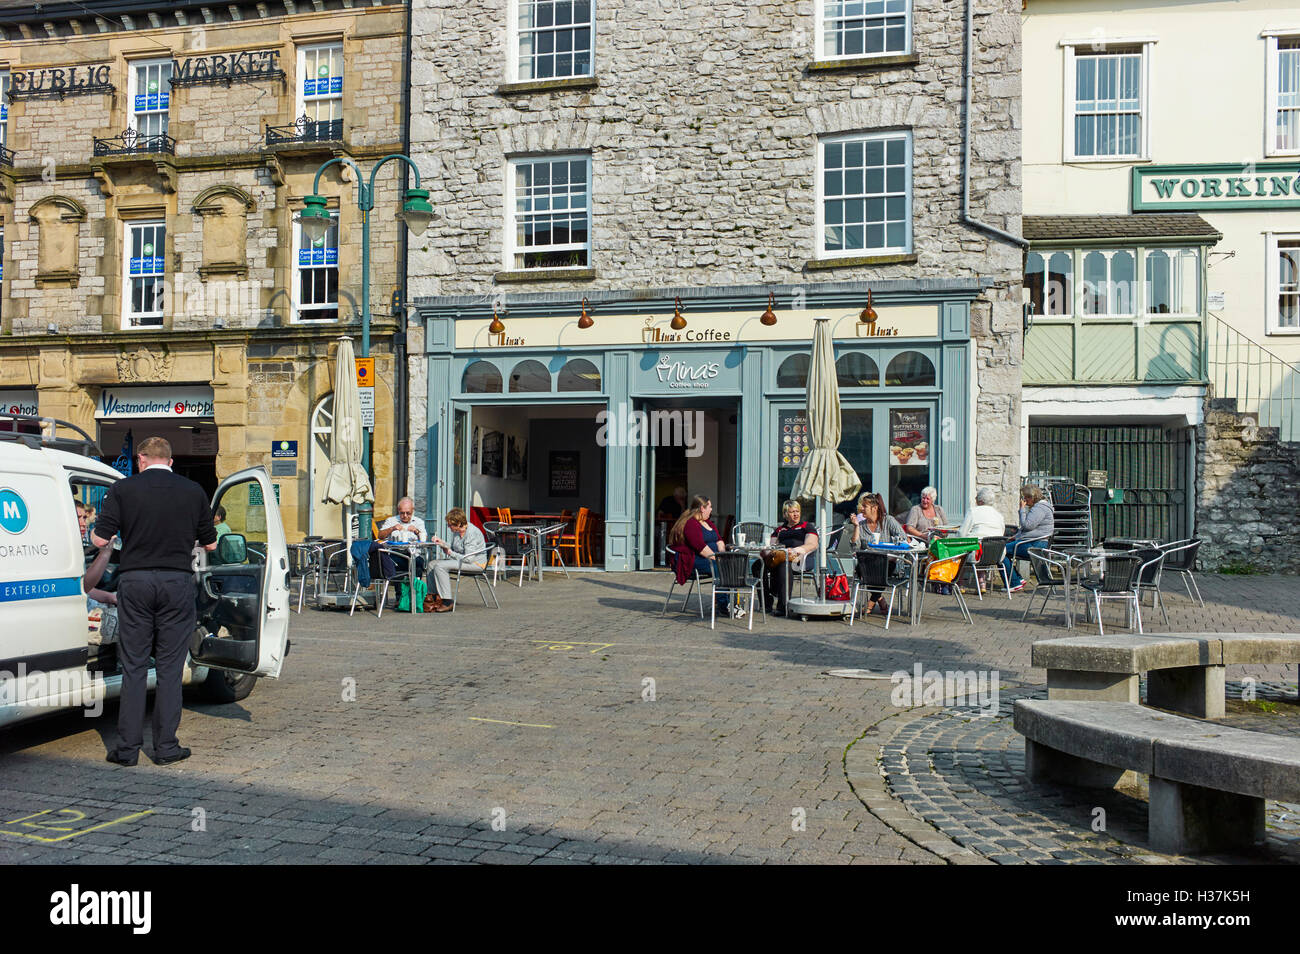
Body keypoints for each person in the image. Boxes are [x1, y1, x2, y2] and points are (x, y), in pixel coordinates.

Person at [92, 436, 217, 767]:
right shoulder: (193, 492)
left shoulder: (123, 490)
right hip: (176, 582)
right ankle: (165, 748)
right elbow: (211, 545)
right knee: (170, 668)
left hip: (136, 581)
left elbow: (99, 538)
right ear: (171, 461)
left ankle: (127, 750)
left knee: (133, 666)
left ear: (140, 459)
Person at [840, 493, 908, 616]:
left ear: (874, 508)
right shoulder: (861, 525)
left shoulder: (888, 521)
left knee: (882, 571)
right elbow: (855, 547)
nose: (861, 508)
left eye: (865, 506)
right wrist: (855, 527)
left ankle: (870, 603)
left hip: (887, 562)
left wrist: (893, 555)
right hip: (867, 564)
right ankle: (880, 600)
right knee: (864, 570)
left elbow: (904, 539)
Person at [668, 495, 736, 618]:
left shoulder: (708, 522)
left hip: (710, 557)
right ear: (702, 508)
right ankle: (724, 605)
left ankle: (733, 603)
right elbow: (701, 548)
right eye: (709, 507)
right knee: (719, 568)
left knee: (733, 565)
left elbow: (719, 540)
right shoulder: (691, 524)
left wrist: (723, 553)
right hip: (695, 560)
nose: (711, 510)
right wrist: (719, 559)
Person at [762, 499, 818, 617]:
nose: (796, 514)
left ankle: (783, 606)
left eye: (797, 511)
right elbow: (771, 546)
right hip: (781, 556)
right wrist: (768, 551)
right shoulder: (779, 530)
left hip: (801, 558)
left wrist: (795, 550)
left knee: (784, 565)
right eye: (792, 512)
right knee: (758, 565)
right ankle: (766, 602)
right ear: (785, 514)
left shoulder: (806, 526)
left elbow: (812, 544)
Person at [426, 508, 488, 612]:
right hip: (462, 560)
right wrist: (442, 543)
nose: (449, 527)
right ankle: (433, 596)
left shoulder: (471, 533)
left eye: (451, 525)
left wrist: (450, 552)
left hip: (475, 563)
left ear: (459, 523)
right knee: (432, 564)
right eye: (448, 525)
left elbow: (468, 558)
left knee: (440, 566)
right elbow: (454, 548)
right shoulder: (458, 531)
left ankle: (447, 601)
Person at [1002, 484, 1055, 592]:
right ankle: (1017, 580)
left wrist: (1022, 510)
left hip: (1035, 545)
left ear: (1032, 497)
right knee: (1004, 551)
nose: (1025, 500)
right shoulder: (1040, 507)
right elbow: (1029, 529)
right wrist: (1016, 537)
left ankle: (1014, 582)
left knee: (1000, 551)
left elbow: (1027, 525)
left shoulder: (1039, 508)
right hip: (1035, 542)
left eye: (1026, 497)